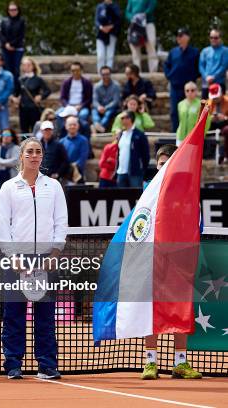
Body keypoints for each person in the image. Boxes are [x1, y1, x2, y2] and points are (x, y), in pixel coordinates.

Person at [0, 137, 68, 380]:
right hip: (17, 258)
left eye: (38, 152)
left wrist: (55, 253)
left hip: (47, 259)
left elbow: (61, 221)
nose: (34, 156)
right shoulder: (8, 187)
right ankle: (13, 362)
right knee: (14, 313)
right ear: (21, 156)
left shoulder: (54, 186)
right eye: (30, 152)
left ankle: (47, 364)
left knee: (46, 315)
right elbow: (2, 227)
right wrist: (12, 256)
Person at [140, 142, 202, 381]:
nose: (165, 168)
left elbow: (197, 221)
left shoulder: (189, 189)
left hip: (181, 257)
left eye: (170, 163)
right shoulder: (149, 189)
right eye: (162, 164)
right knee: (151, 309)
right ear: (157, 166)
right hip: (153, 257)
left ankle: (180, 363)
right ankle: (150, 362)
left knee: (181, 308)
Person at [164, 28, 200, 132]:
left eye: (181, 35)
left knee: (190, 111)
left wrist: (192, 78)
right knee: (174, 111)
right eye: (178, 36)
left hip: (188, 88)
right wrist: (169, 75)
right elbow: (167, 65)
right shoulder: (173, 52)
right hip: (175, 86)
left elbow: (198, 68)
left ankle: (190, 134)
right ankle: (176, 133)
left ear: (187, 37)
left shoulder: (195, 52)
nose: (178, 38)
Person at [12, 57, 50, 133]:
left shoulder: (38, 79)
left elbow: (47, 91)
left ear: (33, 66)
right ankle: (24, 144)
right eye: (24, 65)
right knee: (24, 131)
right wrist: (14, 98)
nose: (26, 67)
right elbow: (15, 93)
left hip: (34, 108)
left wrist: (40, 96)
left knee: (35, 129)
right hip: (23, 108)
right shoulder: (20, 80)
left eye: (28, 65)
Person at [57, 62, 93, 137]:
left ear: (81, 70)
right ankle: (62, 134)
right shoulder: (66, 82)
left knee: (84, 114)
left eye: (77, 70)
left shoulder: (87, 83)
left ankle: (79, 134)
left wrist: (81, 106)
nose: (75, 72)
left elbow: (89, 99)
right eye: (73, 70)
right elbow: (62, 98)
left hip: (81, 107)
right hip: (68, 106)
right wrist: (68, 106)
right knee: (57, 114)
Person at [115, 110, 149, 188]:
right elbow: (119, 153)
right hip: (121, 172)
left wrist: (142, 169)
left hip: (135, 172)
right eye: (121, 118)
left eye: (123, 118)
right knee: (121, 199)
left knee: (136, 197)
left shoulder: (140, 135)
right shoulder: (120, 134)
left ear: (130, 119)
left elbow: (146, 155)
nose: (122, 120)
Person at [126, 0, 158, 73]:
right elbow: (127, 12)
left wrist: (141, 15)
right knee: (135, 48)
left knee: (151, 46)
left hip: (148, 23)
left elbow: (151, 6)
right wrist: (132, 17)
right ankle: (137, 72)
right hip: (135, 25)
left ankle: (153, 71)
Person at [0, 2, 25, 81]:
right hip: (6, 49)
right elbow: (1, 34)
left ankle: (16, 91)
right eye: (10, 10)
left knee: (16, 70)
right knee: (7, 69)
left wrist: (12, 44)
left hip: (17, 48)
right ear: (8, 11)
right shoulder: (4, 21)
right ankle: (9, 89)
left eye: (14, 9)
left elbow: (21, 35)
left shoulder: (21, 21)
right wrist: (6, 44)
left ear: (18, 10)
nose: (12, 11)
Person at [0, 129, 20, 198]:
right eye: (4, 135)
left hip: (12, 177)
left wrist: (1, 161)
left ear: (12, 137)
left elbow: (15, 161)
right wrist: (5, 166)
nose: (5, 136)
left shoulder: (16, 148)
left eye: (8, 135)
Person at [199, 29, 228, 99]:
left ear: (220, 38)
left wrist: (214, 77)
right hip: (206, 84)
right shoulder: (205, 51)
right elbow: (201, 65)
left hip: (219, 84)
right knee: (205, 108)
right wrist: (206, 77)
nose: (213, 39)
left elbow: (224, 66)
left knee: (219, 109)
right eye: (211, 37)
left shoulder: (225, 51)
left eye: (216, 38)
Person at [92, 66, 121, 133]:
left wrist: (105, 108)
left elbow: (115, 101)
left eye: (107, 74)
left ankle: (98, 126)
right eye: (103, 74)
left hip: (111, 107)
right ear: (100, 75)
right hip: (99, 107)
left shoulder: (116, 86)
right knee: (94, 112)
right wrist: (99, 107)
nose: (105, 76)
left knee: (108, 113)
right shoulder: (96, 86)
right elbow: (95, 100)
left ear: (110, 74)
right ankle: (98, 125)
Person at [60, 116, 90, 181]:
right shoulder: (61, 141)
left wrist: (73, 167)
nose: (72, 126)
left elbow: (83, 157)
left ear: (78, 126)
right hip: (64, 174)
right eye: (70, 125)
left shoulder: (83, 140)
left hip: (78, 173)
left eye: (74, 125)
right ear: (66, 126)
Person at [95, 0, 121, 73]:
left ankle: (108, 73)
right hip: (101, 34)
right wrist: (101, 27)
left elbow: (118, 20)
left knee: (110, 55)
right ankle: (100, 73)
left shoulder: (115, 6)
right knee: (100, 55)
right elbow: (96, 20)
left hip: (112, 33)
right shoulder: (99, 6)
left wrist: (111, 27)